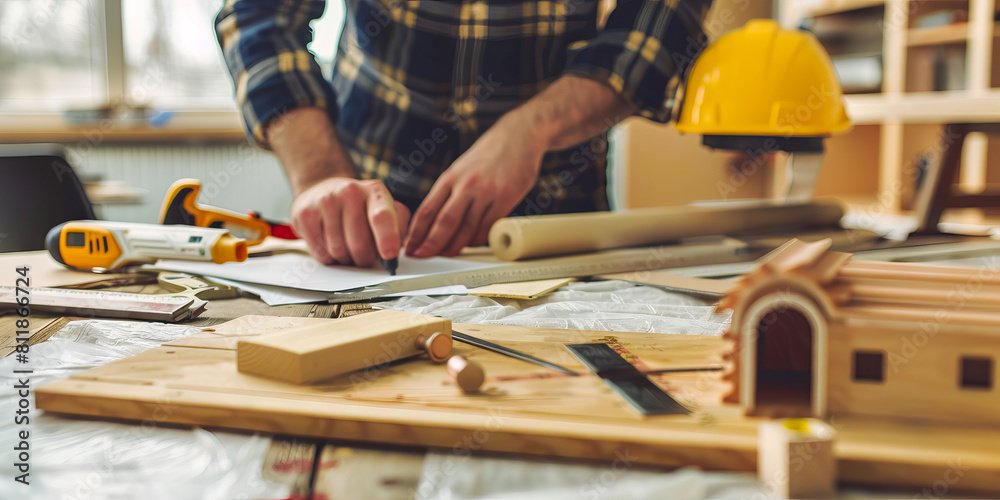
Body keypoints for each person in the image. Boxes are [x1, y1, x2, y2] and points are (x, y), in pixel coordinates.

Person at [216, 0, 712, 267]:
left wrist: (534, 128)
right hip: (363, 208)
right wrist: (322, 176)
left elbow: (659, 26)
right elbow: (260, 16)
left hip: (554, 225)